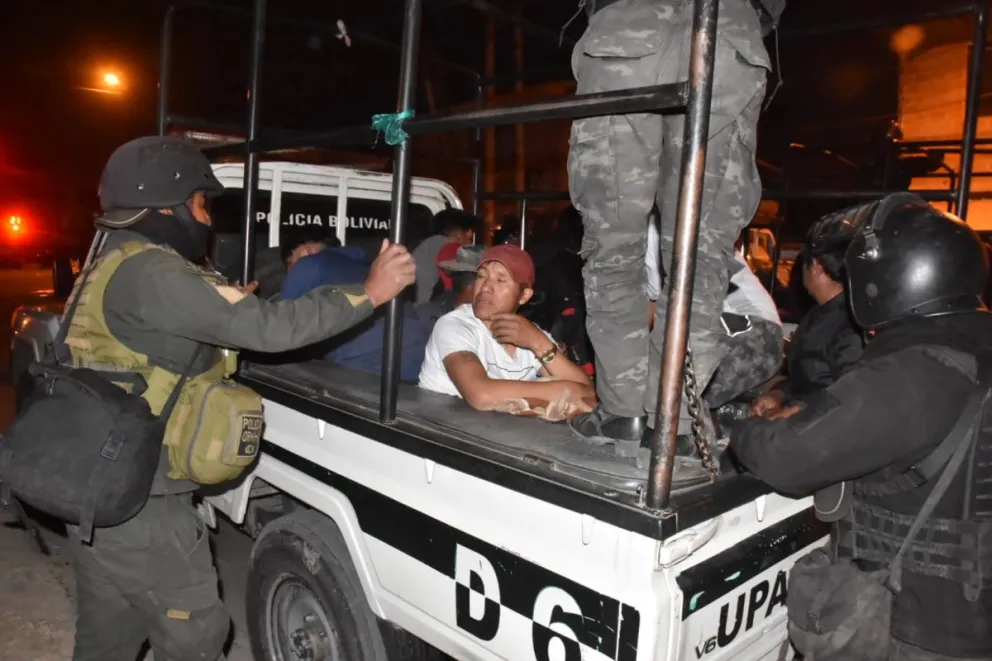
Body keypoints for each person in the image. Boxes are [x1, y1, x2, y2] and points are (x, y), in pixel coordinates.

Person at [64, 136, 415, 661]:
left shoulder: (116, 258)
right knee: (198, 632)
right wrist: (370, 292)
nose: (207, 218)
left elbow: (155, 340)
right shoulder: (152, 270)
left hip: (97, 485)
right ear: (170, 203)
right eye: (202, 204)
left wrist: (219, 309)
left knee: (108, 635)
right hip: (140, 496)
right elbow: (275, 328)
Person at [728, 193, 992, 660]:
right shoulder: (970, 350)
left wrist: (740, 427)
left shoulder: (912, 373)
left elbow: (787, 457)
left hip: (920, 626)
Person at [567, 0, 784, 445]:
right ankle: (674, 425)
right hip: (726, 32)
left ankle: (624, 414)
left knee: (612, 249)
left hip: (626, 34)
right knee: (700, 257)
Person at [646, 219, 782, 450]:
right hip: (757, 332)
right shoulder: (673, 218)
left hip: (747, 330)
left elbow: (646, 313)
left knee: (674, 396)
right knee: (673, 392)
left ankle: (697, 466)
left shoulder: (655, 228)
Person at [419, 244, 595, 413]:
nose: (486, 287)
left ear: (524, 295)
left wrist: (539, 343)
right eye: (481, 276)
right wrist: (563, 390)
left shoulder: (529, 334)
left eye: (501, 280)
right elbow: (481, 395)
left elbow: (588, 392)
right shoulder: (454, 326)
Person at [750, 210, 864, 417]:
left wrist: (794, 411)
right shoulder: (819, 313)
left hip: (824, 427)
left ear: (816, 268)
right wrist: (777, 396)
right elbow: (805, 379)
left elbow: (850, 396)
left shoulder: (851, 325)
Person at [280, 230, 434, 383]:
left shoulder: (306, 265)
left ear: (306, 251)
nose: (289, 272)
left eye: (289, 263)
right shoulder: (377, 267)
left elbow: (284, 330)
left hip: (367, 371)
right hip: (421, 363)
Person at [411, 208, 479, 303]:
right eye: (469, 235)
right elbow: (452, 290)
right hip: (430, 310)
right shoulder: (450, 248)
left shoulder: (427, 245)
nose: (470, 241)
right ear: (458, 235)